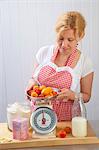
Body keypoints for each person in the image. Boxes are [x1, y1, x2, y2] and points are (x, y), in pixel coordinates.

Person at [26, 11, 94, 121]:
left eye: (70, 40)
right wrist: (31, 84)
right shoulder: (43, 52)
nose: (64, 45)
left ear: (80, 36)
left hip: (66, 121)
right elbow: (33, 79)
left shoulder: (85, 62)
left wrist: (73, 96)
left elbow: (87, 96)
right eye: (61, 38)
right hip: (39, 117)